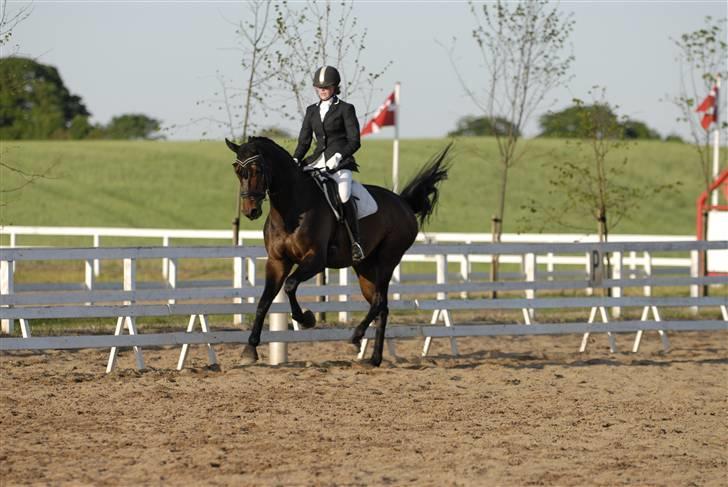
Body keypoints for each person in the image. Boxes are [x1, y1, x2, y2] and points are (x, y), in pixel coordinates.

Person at [292, 65, 365, 263]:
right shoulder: (311, 111)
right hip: (316, 161)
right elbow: (304, 141)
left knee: (343, 195)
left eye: (326, 87)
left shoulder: (345, 109)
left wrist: (340, 156)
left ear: (334, 87)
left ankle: (355, 243)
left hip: (340, 163)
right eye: (319, 87)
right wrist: (296, 158)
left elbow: (354, 141)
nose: (322, 90)